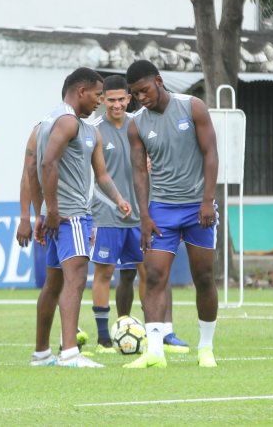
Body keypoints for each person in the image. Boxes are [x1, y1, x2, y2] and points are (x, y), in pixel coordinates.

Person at [28, 68, 130, 368]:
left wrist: (118, 199)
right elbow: (46, 164)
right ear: (81, 91)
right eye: (98, 94)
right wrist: (53, 210)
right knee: (74, 280)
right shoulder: (66, 121)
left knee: (54, 283)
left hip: (67, 214)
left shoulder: (86, 129)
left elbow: (101, 175)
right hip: (69, 216)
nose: (100, 101)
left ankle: (42, 353)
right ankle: (70, 352)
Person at [124, 60, 220, 369]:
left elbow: (211, 154)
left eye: (145, 90)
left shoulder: (193, 107)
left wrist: (208, 200)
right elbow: (139, 172)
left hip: (197, 207)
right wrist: (144, 215)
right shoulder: (136, 123)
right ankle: (154, 351)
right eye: (136, 93)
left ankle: (206, 348)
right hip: (162, 210)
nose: (141, 97)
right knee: (154, 276)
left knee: (203, 277)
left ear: (159, 81)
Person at [88, 74, 189, 353]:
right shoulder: (94, 130)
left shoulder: (141, 124)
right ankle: (103, 338)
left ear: (129, 98)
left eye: (122, 99)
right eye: (111, 100)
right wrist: (114, 202)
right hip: (108, 215)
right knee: (106, 273)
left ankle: (160, 334)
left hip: (144, 214)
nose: (117, 105)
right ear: (102, 101)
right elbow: (95, 176)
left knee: (151, 273)